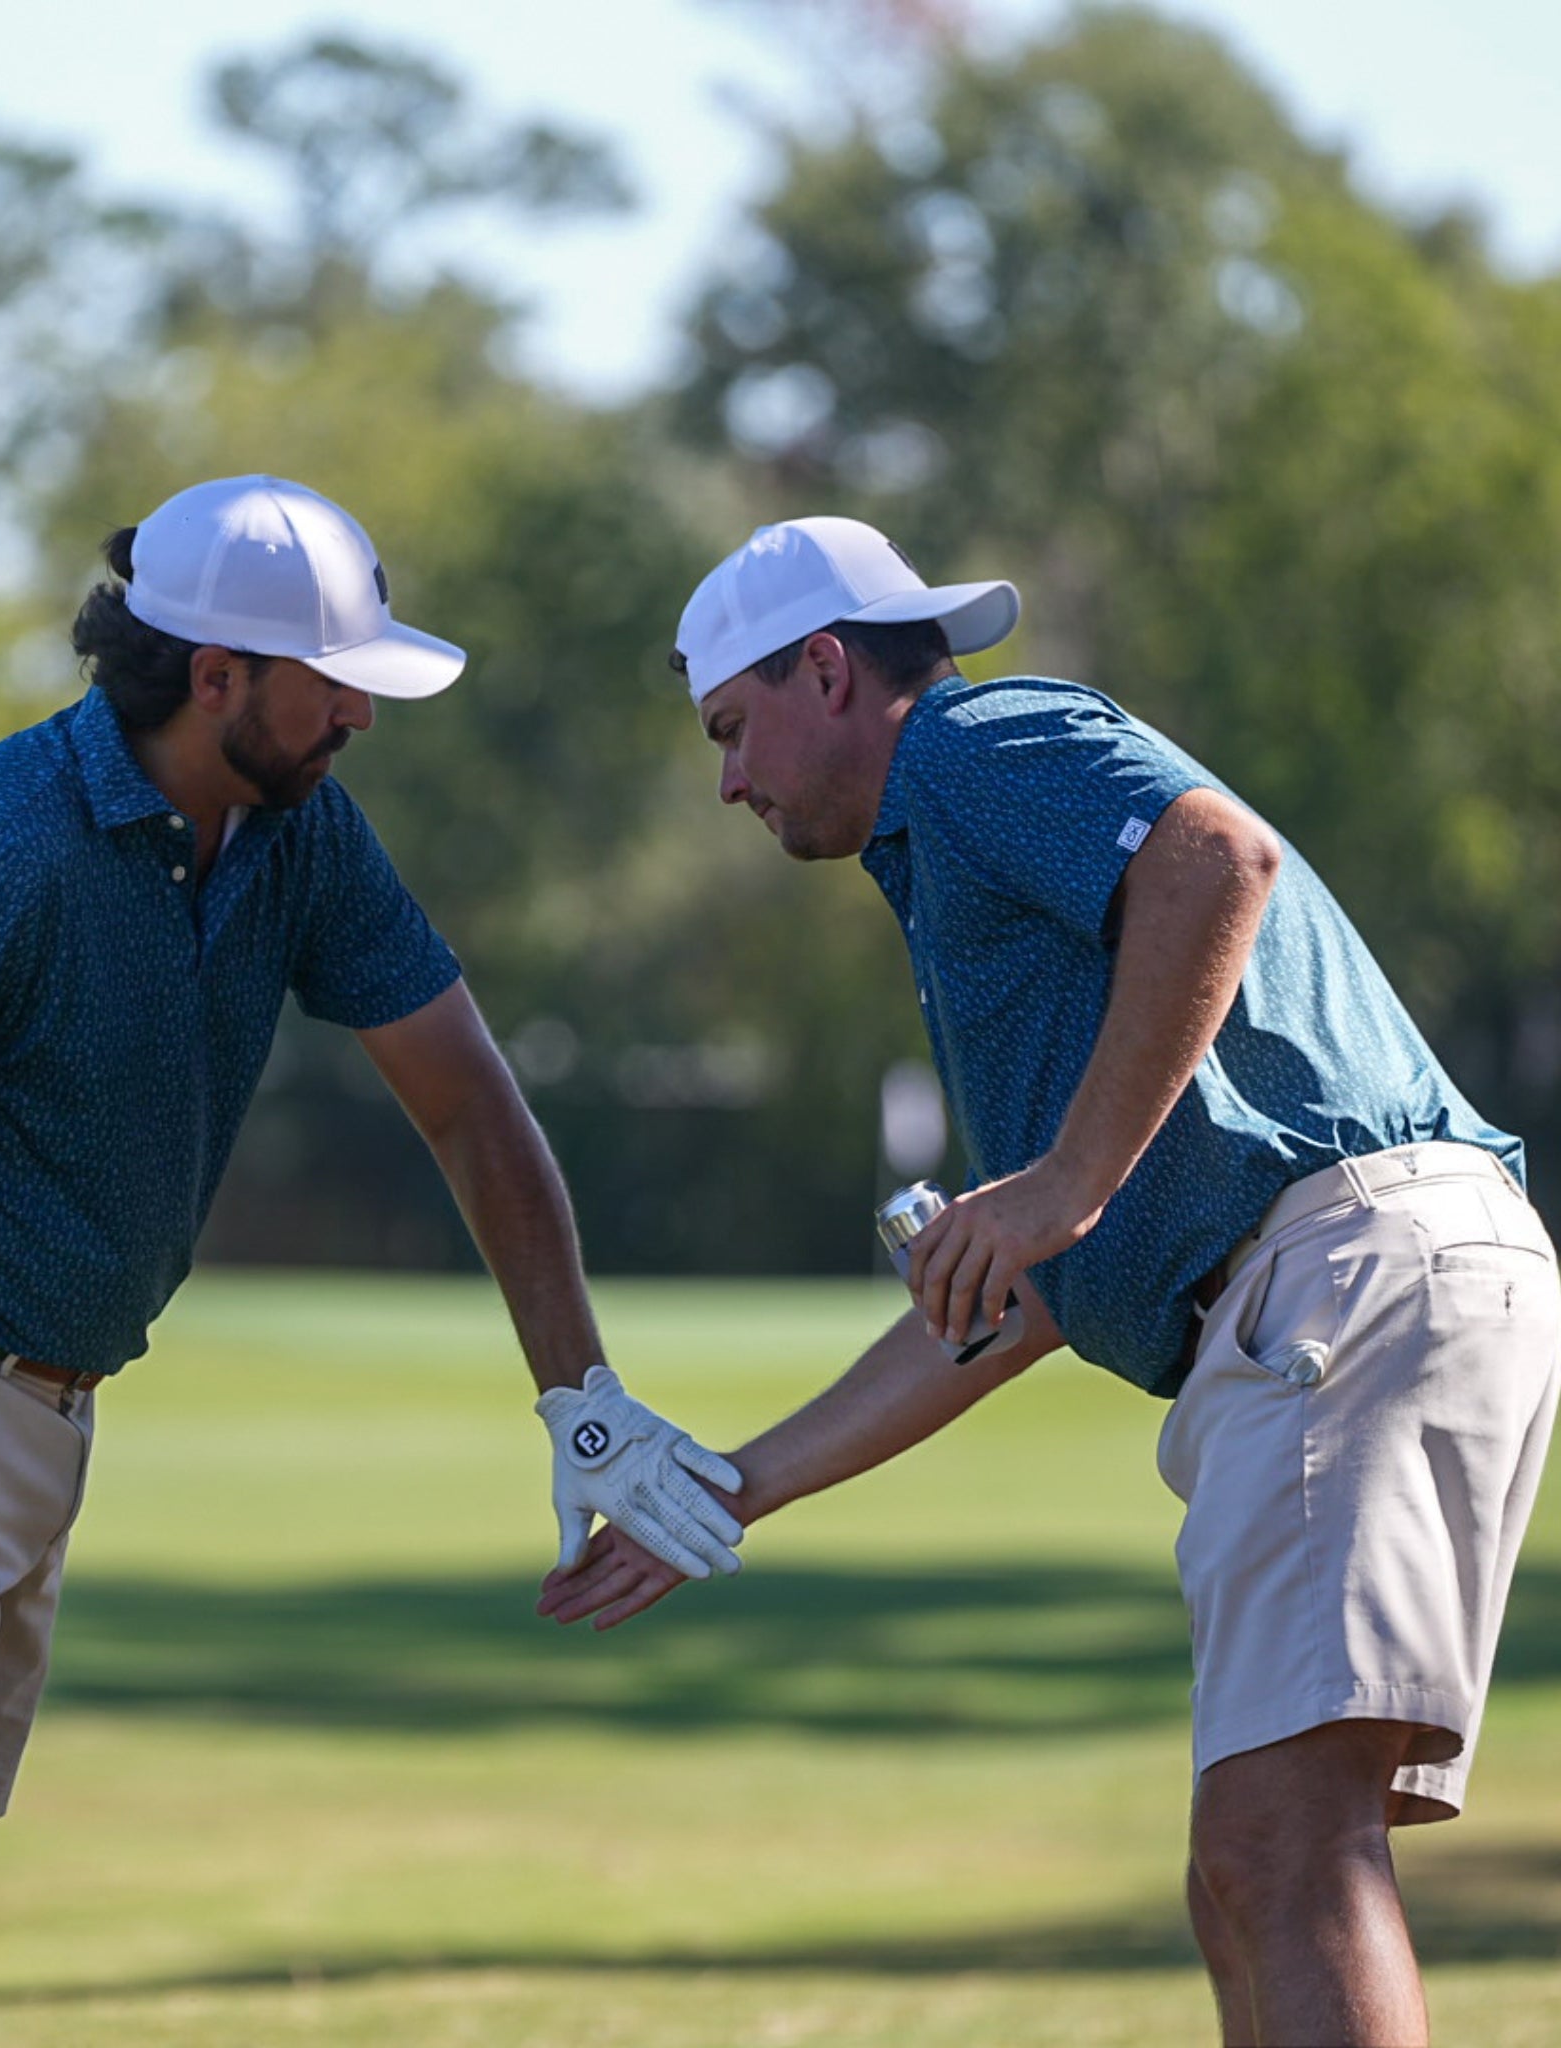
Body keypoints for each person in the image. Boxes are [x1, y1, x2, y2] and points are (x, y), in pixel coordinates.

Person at [0, 474, 743, 2048]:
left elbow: (471, 1109)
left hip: (32, 1403)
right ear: (218, 676)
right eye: (336, 685)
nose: (361, 718)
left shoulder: (291, 834)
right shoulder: (4, 847)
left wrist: (584, 1399)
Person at [540, 514, 1560, 2047]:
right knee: (1248, 1868)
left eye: (734, 730)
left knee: (1282, 1848)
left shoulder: (971, 744)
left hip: (1339, 1276)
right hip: (1339, 1291)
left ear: (828, 670)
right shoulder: (953, 868)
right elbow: (1016, 1297)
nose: (731, 781)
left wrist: (1065, 1180)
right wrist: (736, 1487)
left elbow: (1223, 855)